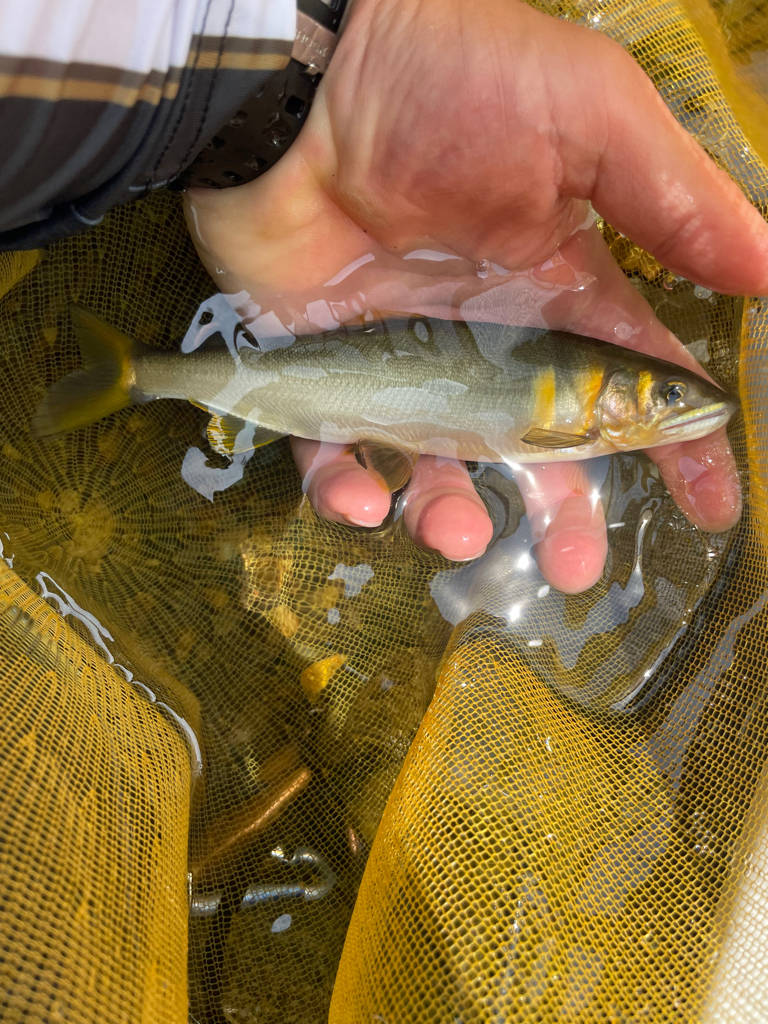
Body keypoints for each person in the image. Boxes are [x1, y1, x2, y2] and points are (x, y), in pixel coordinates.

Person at [1, 0, 764, 594]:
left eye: (665, 400)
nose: (679, 408)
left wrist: (336, 45)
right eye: (663, 399)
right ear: (618, 394)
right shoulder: (578, 421)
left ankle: (145, 374)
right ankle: (141, 375)